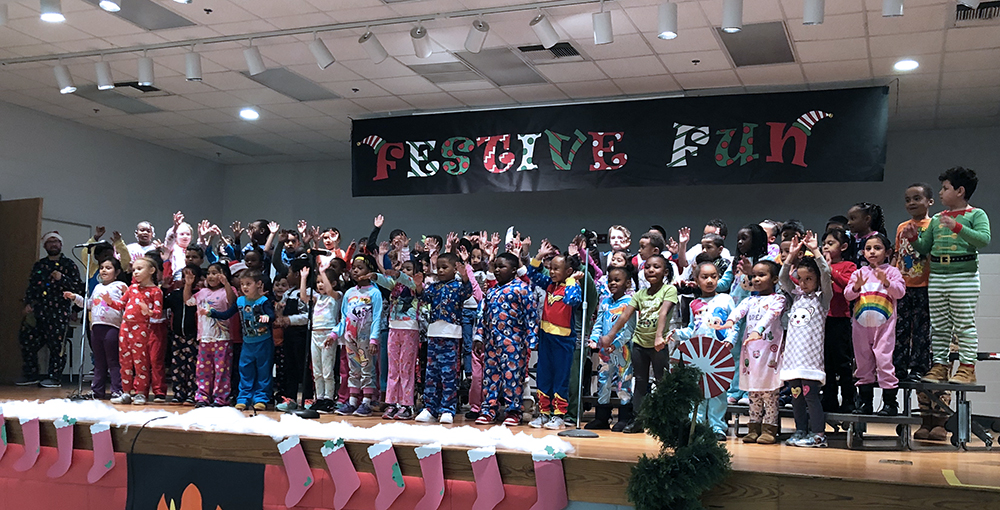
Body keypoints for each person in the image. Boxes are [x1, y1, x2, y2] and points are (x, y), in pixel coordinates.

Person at [907, 167, 991, 385]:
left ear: (960, 191)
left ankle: (967, 368)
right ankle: (940, 366)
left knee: (964, 324)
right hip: (937, 276)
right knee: (939, 325)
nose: (941, 193)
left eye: (945, 188)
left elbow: (983, 240)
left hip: (964, 275)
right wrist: (915, 239)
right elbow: (926, 247)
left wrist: (958, 227)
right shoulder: (936, 219)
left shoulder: (976, 214)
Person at [600, 254, 678, 434]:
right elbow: (625, 316)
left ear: (665, 272)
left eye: (656, 267)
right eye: (648, 267)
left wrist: (659, 337)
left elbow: (663, 313)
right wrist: (610, 336)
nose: (651, 270)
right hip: (639, 344)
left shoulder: (669, 290)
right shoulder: (639, 294)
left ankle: (667, 421)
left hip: (658, 345)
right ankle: (638, 420)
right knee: (640, 382)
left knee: (662, 381)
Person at [712, 260, 786, 444]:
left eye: (762, 275)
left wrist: (758, 330)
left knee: (770, 393)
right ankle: (754, 426)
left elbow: (771, 316)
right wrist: (729, 321)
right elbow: (739, 311)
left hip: (770, 353)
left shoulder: (778, 299)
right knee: (753, 393)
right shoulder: (749, 300)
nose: (756, 279)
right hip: (751, 353)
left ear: (775, 279)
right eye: (753, 276)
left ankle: (769, 428)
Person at [667, 261, 736, 441]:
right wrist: (678, 333)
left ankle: (717, 427)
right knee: (697, 390)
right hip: (697, 353)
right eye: (705, 277)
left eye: (714, 276)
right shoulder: (694, 304)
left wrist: (729, 340)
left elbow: (733, 324)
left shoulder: (726, 299)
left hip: (718, 353)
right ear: (696, 280)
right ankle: (695, 424)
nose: (710, 281)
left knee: (717, 390)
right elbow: (691, 328)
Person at [779, 233, 833, 447]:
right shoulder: (795, 298)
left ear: (817, 279)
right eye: (800, 279)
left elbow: (827, 273)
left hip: (810, 363)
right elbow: (783, 278)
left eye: (808, 279)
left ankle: (818, 433)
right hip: (793, 362)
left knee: (811, 398)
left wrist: (817, 252)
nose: (803, 283)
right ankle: (801, 430)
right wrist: (791, 256)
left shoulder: (822, 299)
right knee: (796, 398)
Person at [844, 234, 905, 415]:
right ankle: (865, 403)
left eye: (877, 248)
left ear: (887, 252)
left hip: (884, 327)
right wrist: (856, 287)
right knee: (863, 363)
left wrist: (886, 281)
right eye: (868, 248)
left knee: (884, 361)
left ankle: (890, 403)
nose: (872, 252)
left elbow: (900, 292)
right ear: (863, 252)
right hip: (861, 326)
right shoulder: (858, 273)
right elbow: (848, 295)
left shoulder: (892, 272)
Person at [474, 253, 538, 426]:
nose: (497, 271)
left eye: (502, 267)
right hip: (492, 343)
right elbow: (483, 316)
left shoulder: (522, 288)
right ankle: (489, 410)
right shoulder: (492, 292)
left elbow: (531, 315)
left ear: (513, 270)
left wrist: (532, 339)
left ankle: (513, 410)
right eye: (496, 267)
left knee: (513, 377)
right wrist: (479, 336)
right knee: (491, 377)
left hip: (514, 342)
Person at [527, 241, 583, 430]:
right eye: (550, 268)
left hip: (563, 340)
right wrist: (539, 257)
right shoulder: (549, 285)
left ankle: (559, 415)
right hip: (546, 338)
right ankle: (544, 413)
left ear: (568, 271)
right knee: (544, 375)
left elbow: (572, 300)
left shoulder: (572, 286)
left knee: (560, 377)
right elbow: (532, 275)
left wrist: (571, 281)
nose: (551, 272)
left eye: (556, 269)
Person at [415, 252, 474, 424]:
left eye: (444, 267)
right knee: (432, 374)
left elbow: (468, 291)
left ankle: (448, 408)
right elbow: (424, 297)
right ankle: (430, 408)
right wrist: (419, 286)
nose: (440, 270)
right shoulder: (434, 286)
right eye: (438, 267)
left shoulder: (458, 286)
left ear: (454, 269)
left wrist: (464, 276)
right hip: (434, 333)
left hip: (451, 334)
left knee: (448, 374)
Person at [19, 231, 84, 388]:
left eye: (56, 242)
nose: (53, 244)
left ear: (61, 245)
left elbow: (79, 288)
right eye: (50, 242)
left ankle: (54, 378)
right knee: (27, 340)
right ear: (45, 245)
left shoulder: (69, 265)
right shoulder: (39, 265)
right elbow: (32, 287)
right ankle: (31, 375)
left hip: (59, 312)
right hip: (39, 311)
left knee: (56, 346)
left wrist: (62, 279)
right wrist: (28, 303)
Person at [717, 223, 772, 405]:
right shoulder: (736, 262)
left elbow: (765, 287)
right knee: (734, 351)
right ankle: (735, 389)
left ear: (756, 239)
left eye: (745, 238)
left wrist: (751, 272)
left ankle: (750, 391)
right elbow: (725, 283)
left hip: (755, 313)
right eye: (738, 238)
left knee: (753, 352)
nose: (740, 242)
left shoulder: (766, 260)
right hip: (736, 313)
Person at [206, 270, 275, 411]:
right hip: (247, 343)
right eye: (242, 284)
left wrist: (267, 318)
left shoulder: (263, 301)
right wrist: (211, 313)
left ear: (258, 284)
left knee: (263, 371)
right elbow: (226, 314)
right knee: (245, 370)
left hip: (263, 342)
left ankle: (261, 398)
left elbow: (271, 315)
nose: (245, 287)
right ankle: (243, 398)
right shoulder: (240, 301)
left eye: (248, 284)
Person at [63, 258, 128, 400]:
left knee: (113, 360)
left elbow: (127, 304)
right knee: (99, 361)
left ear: (116, 272)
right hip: (96, 327)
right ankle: (97, 391)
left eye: (108, 268)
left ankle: (118, 390)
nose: (104, 270)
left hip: (112, 327)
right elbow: (89, 304)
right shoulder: (98, 287)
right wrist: (75, 298)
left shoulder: (120, 286)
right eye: (102, 267)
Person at [329, 255, 384, 416]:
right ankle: (352, 401)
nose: (356, 271)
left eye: (360, 268)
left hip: (366, 339)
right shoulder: (349, 293)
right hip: (350, 338)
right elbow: (344, 317)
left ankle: (366, 401)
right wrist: (334, 334)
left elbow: (377, 318)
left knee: (367, 368)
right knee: (354, 369)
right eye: (354, 268)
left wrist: (374, 338)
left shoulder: (374, 293)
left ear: (369, 271)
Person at [587, 265, 637, 431]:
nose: (612, 283)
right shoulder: (605, 301)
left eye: (617, 280)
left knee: (624, 382)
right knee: (604, 381)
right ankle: (601, 417)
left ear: (627, 283)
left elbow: (629, 330)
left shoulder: (630, 302)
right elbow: (599, 323)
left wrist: (615, 344)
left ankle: (624, 417)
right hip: (604, 351)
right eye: (610, 280)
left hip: (623, 351)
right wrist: (594, 339)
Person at [110, 256, 163, 405]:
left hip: (142, 329)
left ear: (151, 270)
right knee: (125, 361)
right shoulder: (132, 288)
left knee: (141, 362)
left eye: (139, 269)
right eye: (134, 270)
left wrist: (149, 312)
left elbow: (158, 312)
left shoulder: (156, 291)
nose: (135, 272)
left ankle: (140, 393)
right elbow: (121, 304)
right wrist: (109, 302)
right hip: (125, 328)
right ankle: (126, 392)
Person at [374, 259, 422, 420]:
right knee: (393, 367)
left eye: (409, 269)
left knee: (406, 368)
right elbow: (385, 281)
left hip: (409, 328)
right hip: (393, 328)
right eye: (403, 269)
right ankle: (392, 403)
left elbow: (406, 280)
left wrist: (398, 274)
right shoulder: (394, 285)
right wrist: (374, 276)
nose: (405, 271)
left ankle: (406, 404)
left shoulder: (415, 283)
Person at [820, 227, 857, 413]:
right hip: (821, 320)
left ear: (843, 246)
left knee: (843, 363)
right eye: (824, 243)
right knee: (825, 363)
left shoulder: (849, 266)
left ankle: (849, 399)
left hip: (840, 319)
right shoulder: (819, 265)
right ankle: (829, 398)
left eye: (830, 243)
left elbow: (848, 286)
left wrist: (829, 271)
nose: (825, 247)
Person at [187, 262, 234, 408]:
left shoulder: (229, 290)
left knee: (222, 369)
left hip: (222, 337)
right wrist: (188, 285)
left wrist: (226, 283)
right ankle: (202, 397)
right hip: (205, 337)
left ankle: (220, 398)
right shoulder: (202, 292)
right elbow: (188, 301)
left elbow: (232, 302)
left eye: (215, 273)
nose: (211, 276)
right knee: (203, 369)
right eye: (208, 273)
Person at [299, 266, 343, 413]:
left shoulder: (336, 296)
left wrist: (323, 272)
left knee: (327, 370)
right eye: (317, 282)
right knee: (317, 370)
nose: (320, 285)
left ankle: (329, 399)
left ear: (333, 283)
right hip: (315, 334)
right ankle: (320, 398)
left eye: (323, 281)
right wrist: (304, 278)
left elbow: (330, 291)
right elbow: (303, 296)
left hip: (328, 335)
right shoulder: (317, 298)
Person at [164, 264, 202, 404]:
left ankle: (192, 394)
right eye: (185, 275)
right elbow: (162, 304)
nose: (187, 278)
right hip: (177, 336)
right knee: (177, 367)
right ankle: (179, 394)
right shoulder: (175, 294)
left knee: (193, 367)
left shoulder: (200, 294)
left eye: (191, 275)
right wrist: (164, 287)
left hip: (194, 336)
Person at [847, 202, 887, 267]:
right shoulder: (852, 239)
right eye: (848, 219)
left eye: (853, 219)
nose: (849, 223)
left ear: (867, 219)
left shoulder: (877, 238)